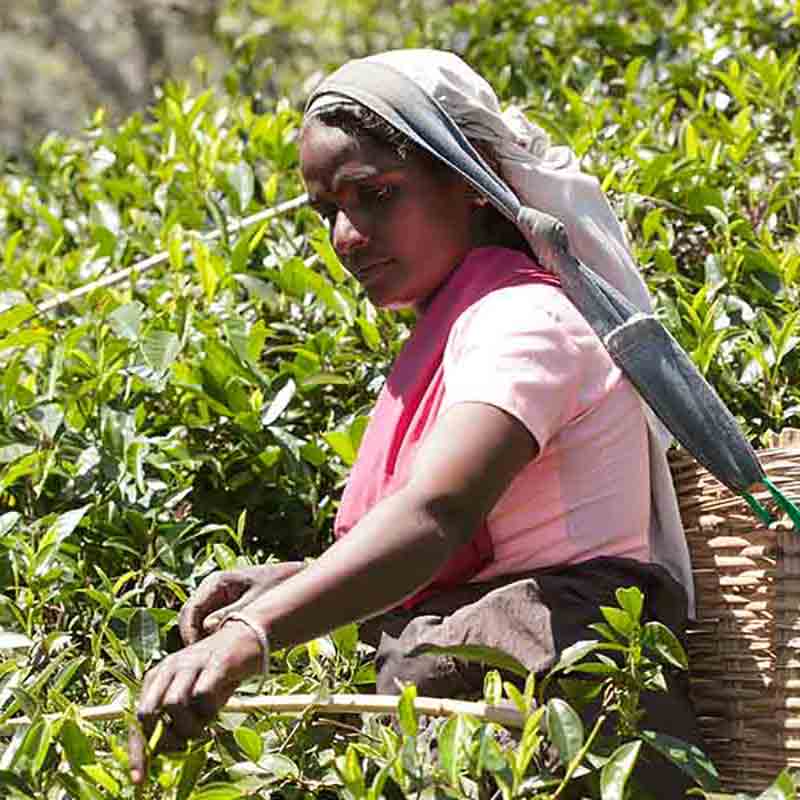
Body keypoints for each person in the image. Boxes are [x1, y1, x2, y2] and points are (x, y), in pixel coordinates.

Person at [128, 49, 701, 792]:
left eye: (375, 194)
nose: (346, 237)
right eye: (329, 210)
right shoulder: (466, 325)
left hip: (568, 736)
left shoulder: (524, 320)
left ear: (466, 182)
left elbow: (441, 512)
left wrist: (253, 634)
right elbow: (490, 549)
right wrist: (294, 584)